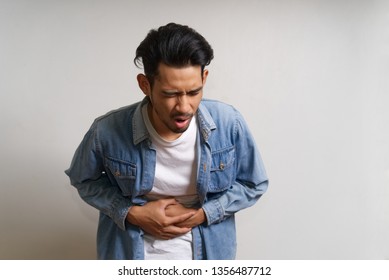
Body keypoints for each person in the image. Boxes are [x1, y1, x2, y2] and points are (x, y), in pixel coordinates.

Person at [65, 22, 268, 260]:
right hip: (129, 255)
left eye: (194, 92)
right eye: (170, 94)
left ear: (204, 77)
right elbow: (83, 179)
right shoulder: (107, 130)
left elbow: (254, 183)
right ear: (145, 85)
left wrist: (204, 214)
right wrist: (131, 213)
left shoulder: (229, 123)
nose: (184, 107)